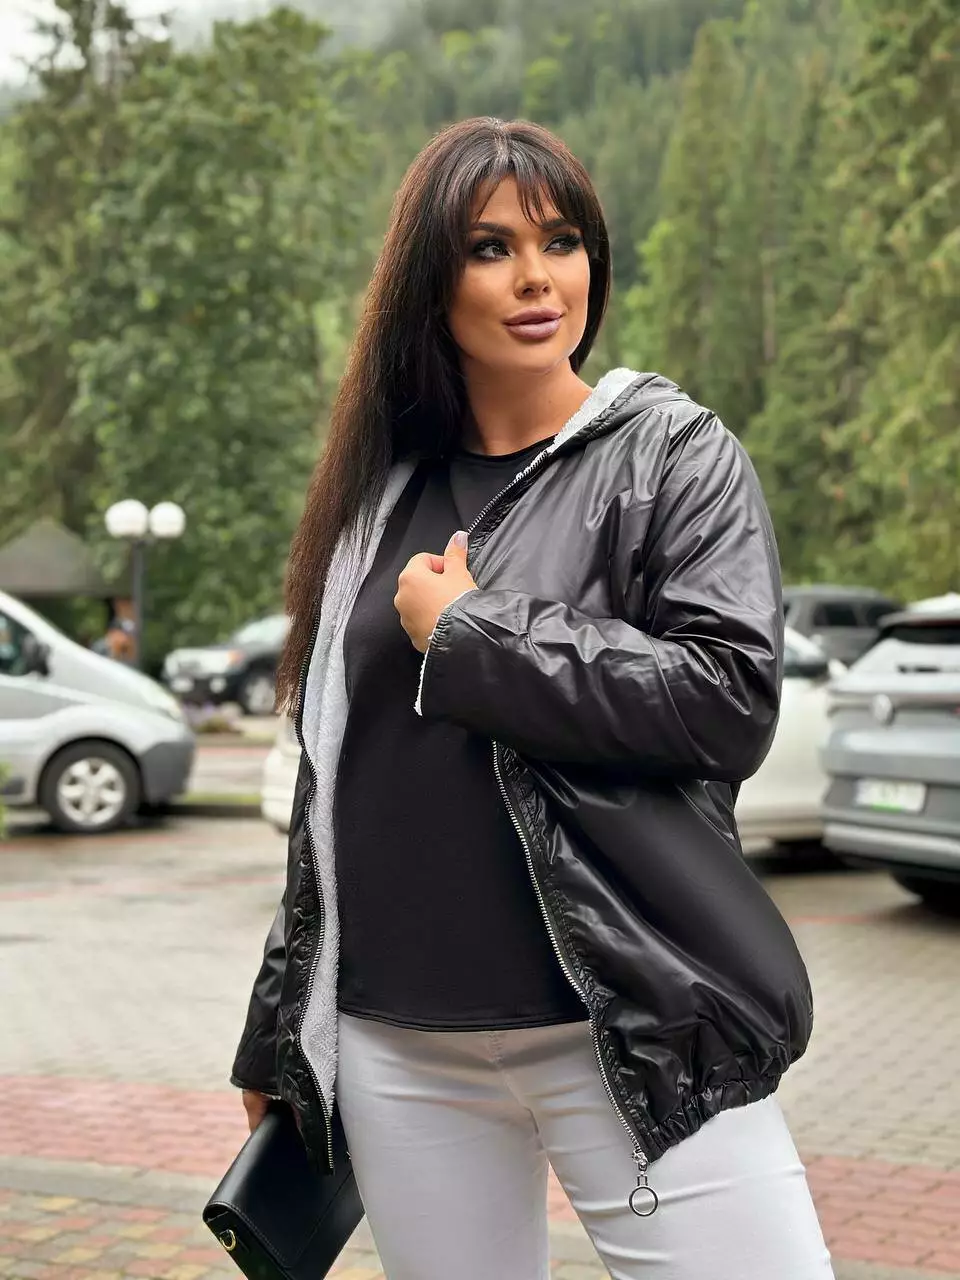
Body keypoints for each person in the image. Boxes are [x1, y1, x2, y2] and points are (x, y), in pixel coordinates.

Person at [230, 117, 834, 1279]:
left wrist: (474, 632)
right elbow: (331, 787)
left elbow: (728, 699)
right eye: (490, 247)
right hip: (396, 1044)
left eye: (561, 241)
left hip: (627, 1026)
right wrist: (278, 1027)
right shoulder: (375, 491)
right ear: (430, 279)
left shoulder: (671, 455)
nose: (536, 276)